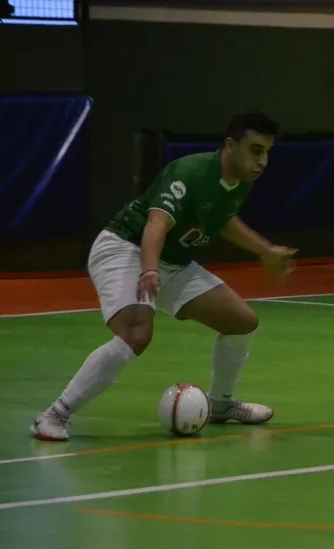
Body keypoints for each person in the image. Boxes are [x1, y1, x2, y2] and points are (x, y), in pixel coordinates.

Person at [30, 109, 298, 442]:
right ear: (231, 146)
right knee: (136, 333)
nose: (262, 161)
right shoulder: (189, 172)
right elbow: (156, 223)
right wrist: (149, 269)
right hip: (126, 248)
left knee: (241, 322)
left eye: (268, 152)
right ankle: (54, 415)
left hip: (173, 262)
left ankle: (219, 405)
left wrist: (265, 250)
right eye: (256, 150)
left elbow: (223, 220)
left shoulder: (239, 183)